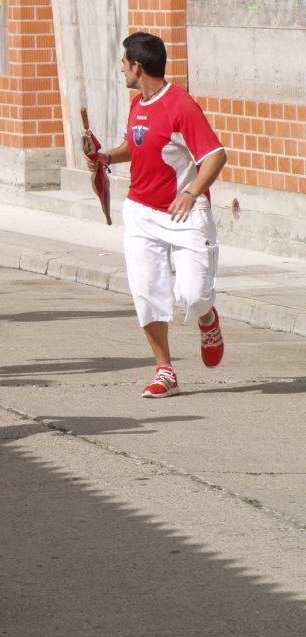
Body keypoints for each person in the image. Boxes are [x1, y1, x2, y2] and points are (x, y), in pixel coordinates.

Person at [85, 32, 227, 399]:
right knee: (147, 294)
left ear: (137, 66)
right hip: (141, 214)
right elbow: (137, 147)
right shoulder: (138, 104)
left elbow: (215, 156)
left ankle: (207, 317)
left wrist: (191, 191)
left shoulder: (181, 106)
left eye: (123, 62)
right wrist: (104, 158)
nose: (121, 69)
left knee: (193, 296)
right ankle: (165, 370)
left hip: (185, 213)